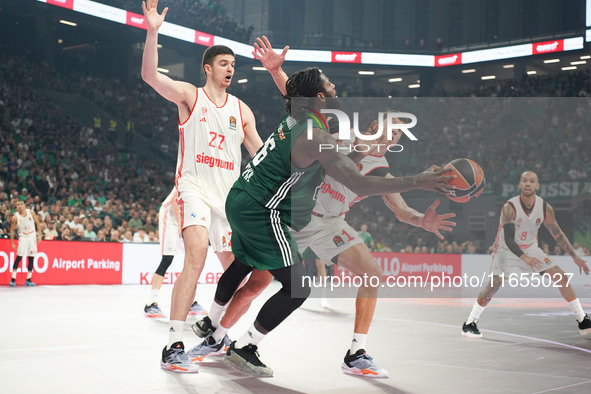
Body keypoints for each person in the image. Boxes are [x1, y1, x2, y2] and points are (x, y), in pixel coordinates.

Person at [189, 37, 457, 377]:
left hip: (324, 220)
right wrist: (419, 179)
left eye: (400, 135)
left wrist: (423, 221)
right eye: (391, 130)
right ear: (374, 127)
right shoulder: (334, 131)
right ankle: (222, 336)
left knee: (371, 274)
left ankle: (356, 352)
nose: (394, 138)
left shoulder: (377, 161)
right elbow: (354, 176)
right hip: (291, 215)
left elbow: (399, 208)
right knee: (260, 283)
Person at [141, 0, 270, 373]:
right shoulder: (189, 95)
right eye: (225, 64)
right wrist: (153, 32)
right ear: (208, 68)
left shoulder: (242, 110)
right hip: (194, 187)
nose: (231, 69)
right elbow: (151, 77)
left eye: (234, 65)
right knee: (195, 256)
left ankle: (215, 332)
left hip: (229, 200)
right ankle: (173, 345)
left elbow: (260, 155)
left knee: (248, 276)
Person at [462, 171, 591, 337]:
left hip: (530, 248)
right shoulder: (510, 207)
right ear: (520, 185)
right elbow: (509, 239)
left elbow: (557, 234)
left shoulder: (544, 207)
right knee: (495, 284)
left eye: (532, 181)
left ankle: (583, 321)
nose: (528, 183)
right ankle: (470, 323)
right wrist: (524, 257)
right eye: (524, 181)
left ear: (537, 185)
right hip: (505, 249)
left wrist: (574, 256)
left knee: (560, 275)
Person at [144, 188, 207, 318]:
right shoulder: (188, 173)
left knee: (192, 258)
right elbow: (174, 200)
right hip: (171, 215)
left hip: (186, 217)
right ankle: (151, 303)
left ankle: (190, 301)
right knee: (167, 259)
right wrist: (180, 224)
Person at [9, 200, 42, 286]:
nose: (19, 206)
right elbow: (12, 231)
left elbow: (38, 223)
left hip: (32, 236)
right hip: (23, 237)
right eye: (18, 205)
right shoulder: (15, 217)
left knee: (31, 258)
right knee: (19, 257)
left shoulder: (30, 212)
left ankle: (28, 279)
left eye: (21, 204)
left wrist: (39, 234)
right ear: (16, 207)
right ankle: (13, 279)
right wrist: (12, 243)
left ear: (24, 205)